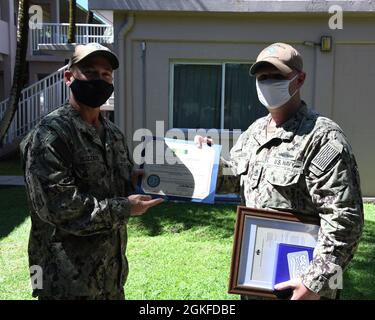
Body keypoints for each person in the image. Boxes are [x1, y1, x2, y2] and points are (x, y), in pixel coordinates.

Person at [195, 42, 364, 300]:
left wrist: (314, 282)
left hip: (302, 286)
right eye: (263, 78)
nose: (268, 83)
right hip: (255, 282)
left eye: (278, 76)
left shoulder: (322, 138)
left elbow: (345, 219)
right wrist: (210, 162)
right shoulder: (254, 132)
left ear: (299, 79)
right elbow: (234, 181)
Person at [20, 43, 163, 300]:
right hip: (64, 284)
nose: (100, 80)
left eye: (106, 74)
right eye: (90, 72)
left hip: (110, 279)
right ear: (69, 77)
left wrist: (139, 181)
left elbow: (118, 185)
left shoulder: (114, 134)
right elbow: (61, 209)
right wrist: (125, 207)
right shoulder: (50, 136)